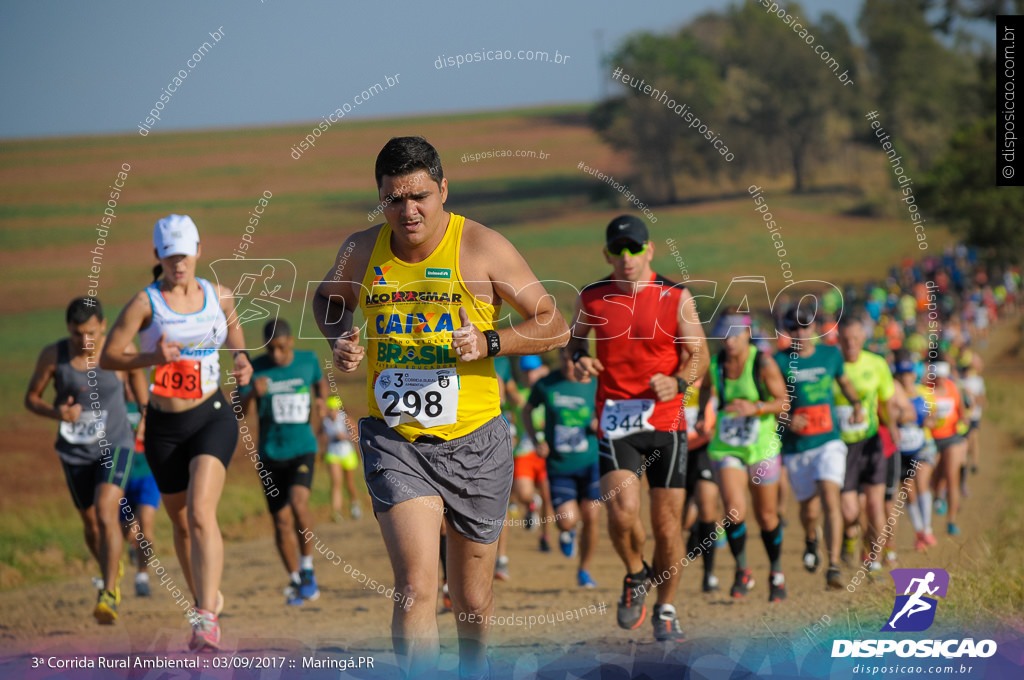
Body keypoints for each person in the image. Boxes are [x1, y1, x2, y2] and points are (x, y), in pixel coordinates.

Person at [312, 136, 569, 679]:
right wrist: (339, 336)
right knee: (415, 589)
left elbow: (554, 322)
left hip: (477, 443)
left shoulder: (480, 247)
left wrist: (492, 342)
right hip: (396, 441)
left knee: (471, 604)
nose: (408, 211)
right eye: (394, 199)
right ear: (380, 198)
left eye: (420, 196)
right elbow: (328, 298)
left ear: (443, 189)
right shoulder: (361, 248)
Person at [100, 214, 252, 651]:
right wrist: (151, 358)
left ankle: (206, 618)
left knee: (202, 512)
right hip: (165, 426)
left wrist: (240, 358)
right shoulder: (147, 303)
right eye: (169, 257)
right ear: (158, 257)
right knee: (181, 525)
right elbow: (110, 356)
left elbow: (233, 324)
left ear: (198, 251)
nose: (178, 264)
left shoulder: (217, 295)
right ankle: (205, 600)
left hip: (212, 415)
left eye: (184, 256)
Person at [567, 214, 709, 642]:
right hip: (616, 420)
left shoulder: (675, 296)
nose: (626, 258)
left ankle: (665, 609)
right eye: (618, 250)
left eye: (634, 248)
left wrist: (680, 380)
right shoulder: (592, 298)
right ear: (607, 253)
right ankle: (635, 573)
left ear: (649, 250)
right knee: (622, 512)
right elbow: (574, 345)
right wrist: (578, 361)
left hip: (667, 422)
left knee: (667, 526)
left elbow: (699, 354)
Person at [25, 297, 145, 623]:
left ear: (104, 326)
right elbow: (31, 398)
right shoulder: (55, 356)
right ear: (68, 330)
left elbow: (136, 377)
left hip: (116, 444)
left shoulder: (120, 349)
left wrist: (145, 413)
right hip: (75, 450)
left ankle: (109, 593)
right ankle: (111, 565)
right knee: (91, 526)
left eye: (91, 332)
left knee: (107, 512)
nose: (85, 340)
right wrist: (57, 412)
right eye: (78, 334)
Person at [701, 310, 789, 602]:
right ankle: (742, 570)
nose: (729, 342)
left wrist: (757, 408)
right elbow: (705, 390)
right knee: (733, 511)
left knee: (766, 515)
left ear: (746, 334)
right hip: (727, 445)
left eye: (734, 336)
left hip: (762, 445)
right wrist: (704, 415)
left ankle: (776, 573)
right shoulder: (716, 365)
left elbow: (783, 403)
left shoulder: (763, 362)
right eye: (724, 336)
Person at [774, 307, 863, 590]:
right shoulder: (778, 362)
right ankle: (811, 537)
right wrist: (788, 419)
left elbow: (844, 382)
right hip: (798, 446)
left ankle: (833, 565)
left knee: (830, 498)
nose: (801, 334)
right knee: (809, 511)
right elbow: (771, 403)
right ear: (788, 332)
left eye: (805, 326)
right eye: (794, 329)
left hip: (829, 442)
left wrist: (857, 404)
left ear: (815, 327)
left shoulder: (831, 354)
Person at [241, 319, 327, 605]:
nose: (276, 354)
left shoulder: (307, 360)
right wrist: (253, 392)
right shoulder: (257, 369)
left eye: (280, 347)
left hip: (302, 448)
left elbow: (319, 381)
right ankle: (294, 580)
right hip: (270, 454)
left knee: (299, 504)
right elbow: (238, 411)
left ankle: (307, 568)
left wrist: (323, 402)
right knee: (280, 521)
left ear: (290, 341)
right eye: (270, 349)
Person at [522, 347, 601, 588]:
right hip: (559, 464)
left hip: (592, 461)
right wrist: (537, 441)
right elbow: (527, 411)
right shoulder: (547, 384)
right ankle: (568, 531)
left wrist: (600, 423)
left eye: (572, 359)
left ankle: (584, 570)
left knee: (591, 516)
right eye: (563, 359)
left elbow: (611, 409)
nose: (568, 365)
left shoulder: (596, 383)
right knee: (566, 520)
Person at [833, 317, 899, 576]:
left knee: (875, 505)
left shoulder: (877, 364)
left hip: (871, 442)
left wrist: (892, 426)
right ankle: (852, 537)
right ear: (839, 340)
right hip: (841, 448)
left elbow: (887, 400)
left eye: (855, 339)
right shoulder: (833, 365)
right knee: (850, 510)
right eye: (845, 339)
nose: (850, 344)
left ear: (863, 339)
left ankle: (875, 559)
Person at [509, 356, 555, 555]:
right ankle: (531, 504)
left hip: (547, 451)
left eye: (533, 370)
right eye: (526, 371)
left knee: (548, 494)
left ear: (541, 369)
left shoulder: (548, 389)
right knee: (523, 493)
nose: (529, 374)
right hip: (524, 452)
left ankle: (545, 537)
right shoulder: (517, 394)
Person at [893, 359, 938, 550]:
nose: (905, 378)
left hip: (923, 445)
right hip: (901, 449)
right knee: (908, 493)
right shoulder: (893, 395)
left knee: (921, 482)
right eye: (901, 374)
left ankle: (927, 529)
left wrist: (929, 421)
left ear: (914, 374)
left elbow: (934, 417)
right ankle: (919, 532)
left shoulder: (924, 393)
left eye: (908, 374)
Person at [924, 357, 968, 536]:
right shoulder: (927, 390)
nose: (940, 380)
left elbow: (962, 411)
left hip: (951, 438)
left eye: (943, 376)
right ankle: (938, 497)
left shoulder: (953, 388)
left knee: (952, 478)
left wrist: (963, 423)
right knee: (935, 476)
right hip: (932, 439)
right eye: (937, 377)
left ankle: (951, 521)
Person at [122, 397, 161, 597]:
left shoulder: (149, 404)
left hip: (148, 472)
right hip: (123, 474)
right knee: (128, 532)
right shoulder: (116, 404)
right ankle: (133, 545)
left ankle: (142, 575)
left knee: (146, 524)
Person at [322, 395, 362, 521]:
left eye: (333, 408)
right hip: (333, 454)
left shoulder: (345, 419)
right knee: (336, 483)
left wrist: (344, 436)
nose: (330, 411)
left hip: (347, 454)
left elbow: (356, 434)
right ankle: (336, 512)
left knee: (349, 483)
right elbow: (320, 435)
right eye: (329, 408)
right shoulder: (325, 421)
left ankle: (355, 504)